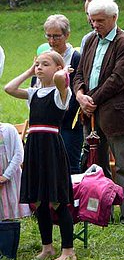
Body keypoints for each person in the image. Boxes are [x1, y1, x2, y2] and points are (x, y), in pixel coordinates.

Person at [73, 0, 124, 225]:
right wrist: (80, 95)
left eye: (100, 20)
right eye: (93, 19)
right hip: (89, 113)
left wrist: (91, 99)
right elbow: (79, 71)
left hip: (115, 115)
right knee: (95, 164)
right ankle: (100, 212)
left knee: (123, 165)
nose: (95, 24)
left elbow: (118, 79)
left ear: (114, 18)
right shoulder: (91, 40)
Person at [4, 51, 75, 260]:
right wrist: (29, 71)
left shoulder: (61, 92)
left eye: (45, 64)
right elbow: (9, 88)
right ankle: (48, 247)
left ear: (57, 68)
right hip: (34, 148)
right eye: (37, 64)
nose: (39, 68)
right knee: (39, 200)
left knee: (57, 201)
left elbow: (61, 80)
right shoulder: (34, 93)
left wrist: (62, 72)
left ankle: (68, 250)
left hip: (51, 148)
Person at [42, 14, 83, 174]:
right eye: (49, 36)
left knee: (70, 165)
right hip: (47, 121)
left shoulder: (75, 57)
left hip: (69, 122)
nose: (52, 41)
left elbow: (79, 86)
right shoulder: (44, 56)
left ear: (67, 35)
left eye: (57, 36)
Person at [0, 122, 31, 220]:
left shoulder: (9, 130)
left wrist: (5, 176)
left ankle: (9, 231)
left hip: (11, 178)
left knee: (10, 214)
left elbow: (19, 155)